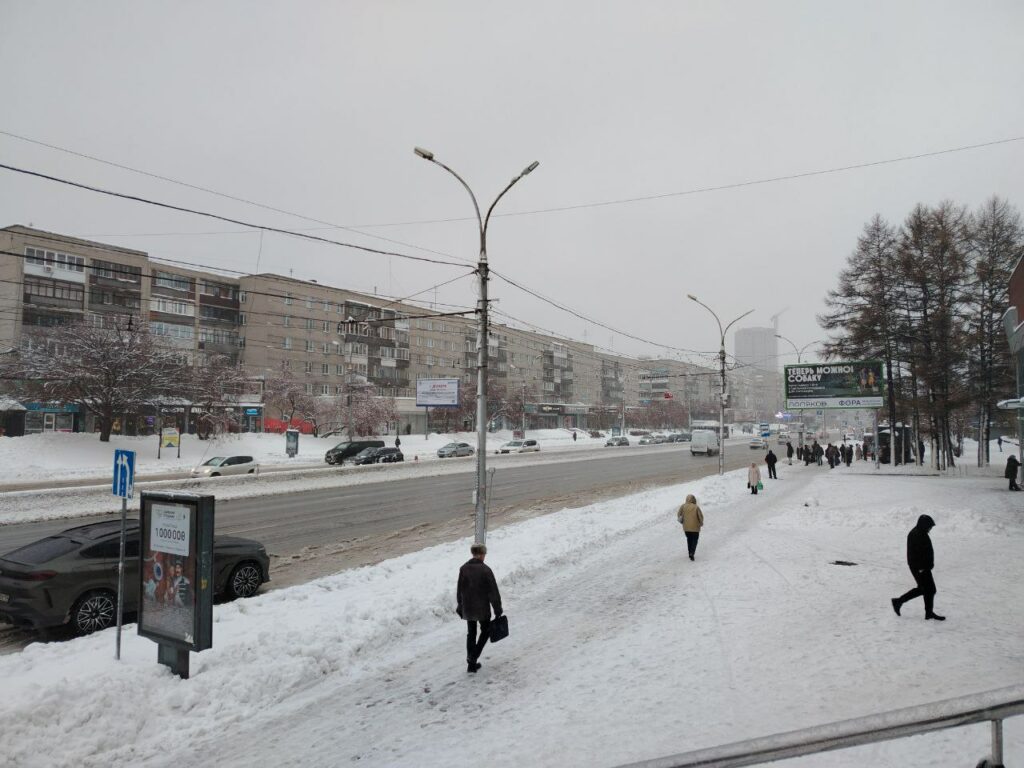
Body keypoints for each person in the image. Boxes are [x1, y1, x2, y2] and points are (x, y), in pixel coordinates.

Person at [456, 543, 503, 673]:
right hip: (482, 608)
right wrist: (497, 609)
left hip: (468, 607)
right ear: (481, 555)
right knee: (486, 631)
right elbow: (493, 592)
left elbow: (459, 590)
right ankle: (473, 657)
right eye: (484, 554)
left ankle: (471, 665)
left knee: (471, 633)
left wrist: (460, 605)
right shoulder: (485, 570)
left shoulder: (463, 569)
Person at [891, 515, 945, 621]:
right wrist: (921, 568)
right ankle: (899, 602)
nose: (930, 528)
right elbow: (915, 554)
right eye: (930, 526)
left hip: (923, 567)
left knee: (925, 589)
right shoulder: (916, 534)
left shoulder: (921, 532)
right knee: (928, 589)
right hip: (920, 567)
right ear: (924, 525)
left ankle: (899, 602)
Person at [676, 493, 704, 561]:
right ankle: (692, 553)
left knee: (689, 539)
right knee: (695, 540)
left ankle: (689, 553)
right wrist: (701, 523)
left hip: (686, 528)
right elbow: (700, 516)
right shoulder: (696, 507)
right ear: (693, 499)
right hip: (695, 528)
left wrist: (682, 521)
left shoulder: (683, 506)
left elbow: (679, 514)